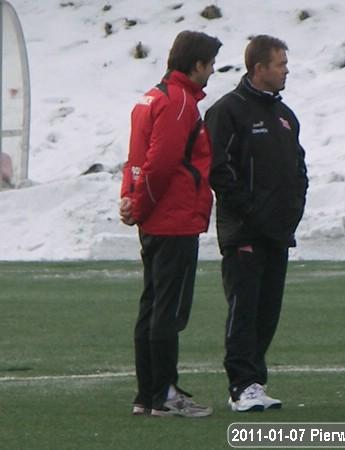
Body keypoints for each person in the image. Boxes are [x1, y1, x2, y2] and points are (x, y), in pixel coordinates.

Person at [119, 30, 221, 418]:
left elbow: (135, 159)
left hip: (154, 218)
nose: (212, 71)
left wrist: (130, 199)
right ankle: (164, 394)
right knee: (168, 309)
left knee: (152, 304)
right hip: (173, 218)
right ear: (197, 64)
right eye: (210, 64)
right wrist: (141, 204)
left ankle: (147, 394)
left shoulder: (151, 98)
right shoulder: (179, 102)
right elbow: (160, 164)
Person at [205, 35, 308, 412]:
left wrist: (293, 208)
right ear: (259, 67)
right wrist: (250, 210)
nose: (286, 71)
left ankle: (255, 381)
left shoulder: (285, 116)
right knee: (244, 309)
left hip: (278, 231)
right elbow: (219, 170)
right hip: (244, 231)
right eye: (280, 64)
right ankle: (241, 385)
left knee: (268, 311)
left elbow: (298, 169)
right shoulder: (228, 111)